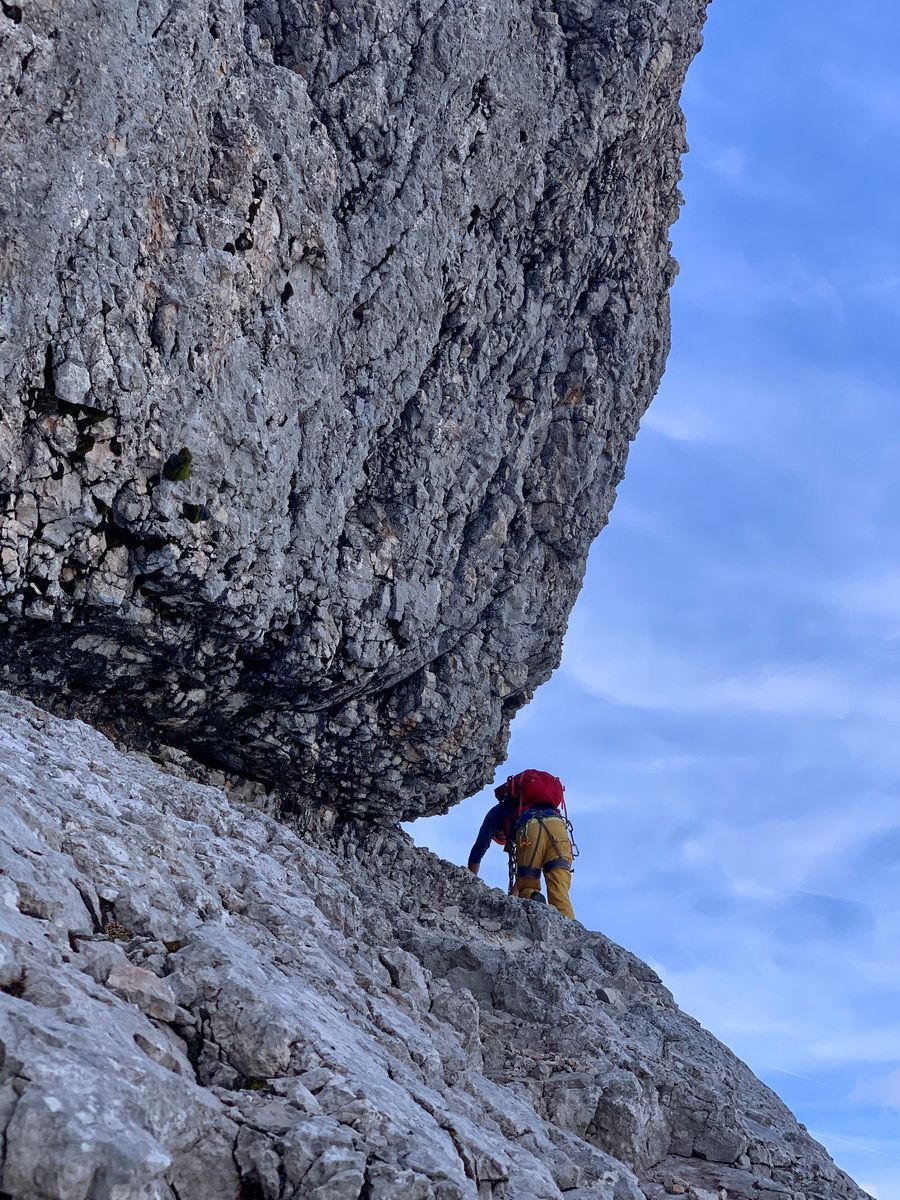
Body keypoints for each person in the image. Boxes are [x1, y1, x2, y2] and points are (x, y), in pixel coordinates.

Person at [467, 769, 576, 919]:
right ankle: (569, 927)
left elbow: (478, 851)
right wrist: (512, 896)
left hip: (529, 828)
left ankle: (534, 912)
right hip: (558, 827)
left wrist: (469, 881)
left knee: (529, 886)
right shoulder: (537, 803)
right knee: (560, 891)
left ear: (499, 833)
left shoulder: (496, 813)